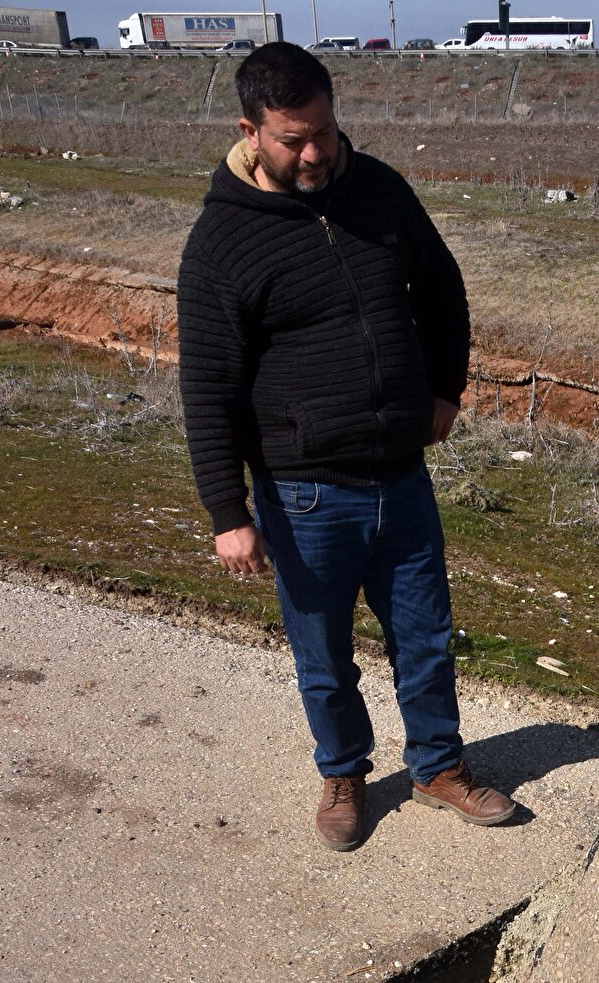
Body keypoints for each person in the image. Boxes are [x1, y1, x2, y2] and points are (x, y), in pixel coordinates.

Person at [177, 42, 514, 851]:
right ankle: (343, 773)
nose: (315, 151)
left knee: (426, 642)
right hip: (304, 496)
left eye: (324, 130)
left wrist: (444, 389)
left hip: (400, 478)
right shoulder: (221, 244)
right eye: (294, 138)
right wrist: (228, 511)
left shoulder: (379, 190)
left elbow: (441, 290)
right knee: (324, 658)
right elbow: (208, 388)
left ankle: (438, 766)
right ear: (250, 131)